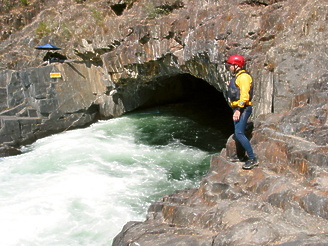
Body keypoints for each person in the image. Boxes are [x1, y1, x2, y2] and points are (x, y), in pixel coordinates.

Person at [225, 54, 257, 170]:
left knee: (239, 133)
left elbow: (244, 96)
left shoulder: (243, 77)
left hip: (243, 108)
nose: (229, 68)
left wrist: (238, 110)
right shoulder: (238, 77)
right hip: (238, 108)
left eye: (230, 65)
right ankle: (241, 156)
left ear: (236, 66)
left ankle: (252, 158)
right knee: (238, 132)